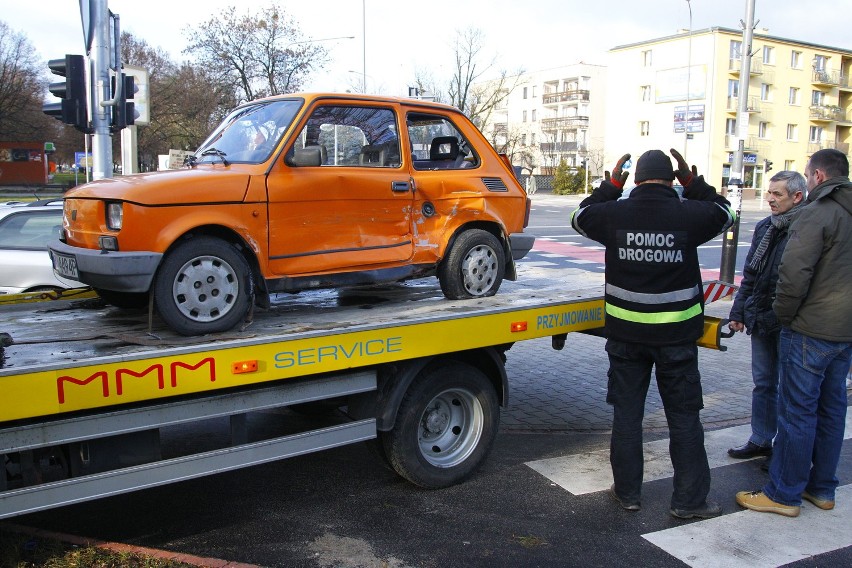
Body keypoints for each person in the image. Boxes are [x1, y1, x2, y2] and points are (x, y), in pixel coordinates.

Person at [571, 148, 735, 519]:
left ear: (637, 178)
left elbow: (579, 216)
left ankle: (628, 494)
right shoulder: (690, 213)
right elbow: (728, 212)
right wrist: (695, 185)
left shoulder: (614, 213)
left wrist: (610, 186)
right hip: (677, 339)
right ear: (672, 179)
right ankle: (688, 502)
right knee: (684, 419)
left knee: (627, 417)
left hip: (627, 338)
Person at [736, 148, 852, 517]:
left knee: (797, 412)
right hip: (843, 331)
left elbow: (793, 275)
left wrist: (783, 317)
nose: (770, 199)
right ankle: (822, 488)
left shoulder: (818, 214)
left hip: (809, 328)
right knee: (831, 410)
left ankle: (784, 493)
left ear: (816, 177)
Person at [726, 171, 807, 460]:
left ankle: (785, 449)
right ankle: (761, 439)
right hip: (761, 319)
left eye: (777, 194)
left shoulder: (806, 228)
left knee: (791, 389)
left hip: (790, 324)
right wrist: (739, 311)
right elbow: (751, 275)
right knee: (763, 383)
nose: (770, 199)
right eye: (769, 193)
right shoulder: (765, 228)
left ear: (797, 196)